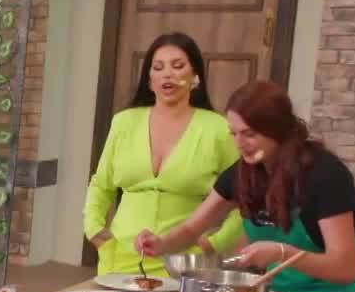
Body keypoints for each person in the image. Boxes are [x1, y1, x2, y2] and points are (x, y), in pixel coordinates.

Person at [136, 80, 355, 292]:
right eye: (234, 134)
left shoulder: (326, 175)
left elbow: (345, 268)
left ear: (277, 130)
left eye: (249, 134)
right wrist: (161, 244)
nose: (239, 144)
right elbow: (192, 229)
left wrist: (282, 253)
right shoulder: (242, 173)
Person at [83, 32, 242, 274]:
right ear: (149, 80)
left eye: (178, 66)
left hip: (184, 261)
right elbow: (101, 185)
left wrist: (213, 243)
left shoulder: (218, 129)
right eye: (158, 67)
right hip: (119, 256)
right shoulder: (124, 122)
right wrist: (95, 232)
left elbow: (245, 199)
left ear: (195, 76)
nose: (167, 74)